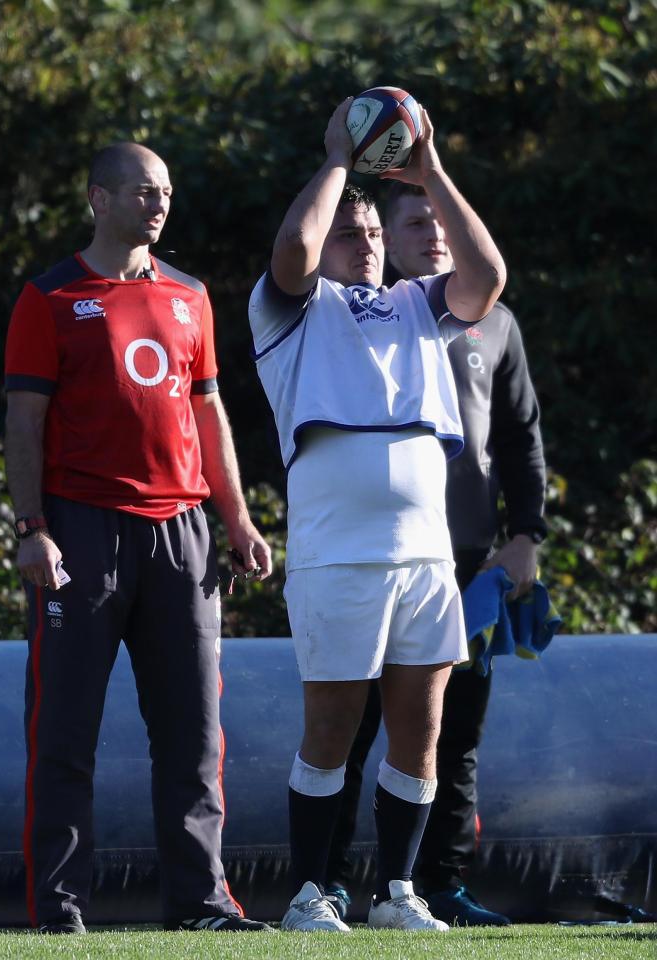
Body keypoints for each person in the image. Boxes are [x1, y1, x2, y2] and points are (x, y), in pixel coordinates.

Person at [248, 98, 507, 932]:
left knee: (420, 730)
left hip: (424, 555)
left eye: (371, 232)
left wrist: (427, 168)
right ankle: (307, 893)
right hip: (337, 554)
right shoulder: (290, 310)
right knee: (331, 725)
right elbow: (292, 251)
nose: (363, 244)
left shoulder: (416, 304)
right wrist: (335, 160)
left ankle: (397, 892)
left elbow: (488, 279)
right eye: (347, 234)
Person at [4, 142, 273, 934]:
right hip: (81, 530)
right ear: (98, 198)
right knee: (64, 731)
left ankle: (202, 906)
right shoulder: (49, 297)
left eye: (165, 191)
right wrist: (32, 528)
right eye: (141, 191)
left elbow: (208, 412)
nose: (157, 205)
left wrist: (238, 518)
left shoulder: (190, 295)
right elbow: (25, 419)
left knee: (194, 733)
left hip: (181, 534)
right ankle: (58, 912)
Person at [324, 182, 547, 927]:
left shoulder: (497, 324)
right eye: (416, 220)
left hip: (469, 564)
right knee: (351, 727)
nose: (437, 230)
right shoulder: (375, 319)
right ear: (384, 239)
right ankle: (325, 884)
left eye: (443, 216)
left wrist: (525, 538)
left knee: (454, 734)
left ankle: (435, 884)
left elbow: (518, 439)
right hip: (374, 555)